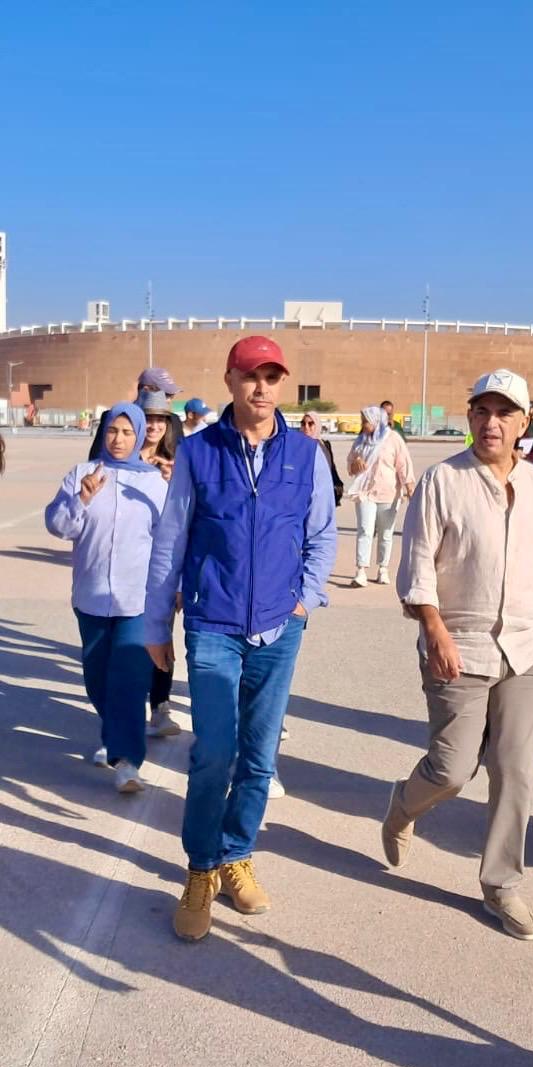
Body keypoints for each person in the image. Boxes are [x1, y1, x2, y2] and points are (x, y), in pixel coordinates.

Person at [144, 335, 337, 941]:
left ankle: (236, 855)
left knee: (258, 756)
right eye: (251, 375)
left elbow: (321, 535)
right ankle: (200, 869)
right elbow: (171, 540)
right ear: (230, 380)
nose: (261, 388)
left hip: (279, 628)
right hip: (213, 626)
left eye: (272, 377)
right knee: (213, 754)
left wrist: (305, 599)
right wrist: (156, 622)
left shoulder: (305, 454)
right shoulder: (199, 453)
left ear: (282, 384)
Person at [387, 369, 533, 940]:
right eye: (482, 411)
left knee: (515, 767)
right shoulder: (443, 480)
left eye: (504, 413)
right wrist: (433, 628)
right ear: (469, 417)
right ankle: (404, 805)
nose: (492, 423)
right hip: (458, 645)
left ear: (525, 421)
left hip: (528, 648)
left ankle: (501, 884)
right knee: (452, 769)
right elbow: (416, 563)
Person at [46, 403, 168, 792]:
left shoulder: (154, 482)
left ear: (139, 436)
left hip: (138, 599)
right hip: (92, 596)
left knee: (130, 679)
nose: (118, 439)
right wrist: (80, 500)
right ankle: (114, 733)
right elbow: (58, 526)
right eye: (113, 431)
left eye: (127, 432)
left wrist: (172, 591)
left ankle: (127, 761)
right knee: (97, 679)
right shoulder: (81, 474)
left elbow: (167, 541)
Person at [137, 389, 183, 739]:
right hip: (127, 568)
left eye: (160, 419)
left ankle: (161, 705)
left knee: (162, 635)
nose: (153, 425)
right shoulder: (119, 457)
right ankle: (125, 713)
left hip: (163, 568)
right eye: (147, 418)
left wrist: (173, 482)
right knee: (128, 644)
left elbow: (186, 524)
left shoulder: (178, 462)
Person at [346, 405, 415, 587]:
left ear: (376, 421)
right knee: (365, 530)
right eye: (362, 421)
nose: (363, 424)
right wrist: (356, 463)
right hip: (365, 492)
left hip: (388, 494)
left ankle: (383, 569)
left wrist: (410, 490)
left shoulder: (393, 439)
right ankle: (361, 571)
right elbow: (350, 466)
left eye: (366, 421)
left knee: (386, 533)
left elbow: (403, 465)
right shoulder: (361, 441)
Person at [88, 367, 183, 459]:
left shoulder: (174, 421)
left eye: (172, 396)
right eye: (166, 395)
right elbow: (96, 458)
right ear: (145, 390)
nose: (169, 400)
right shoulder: (114, 417)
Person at [301, 411, 344, 505]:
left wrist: (337, 483)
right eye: (303, 423)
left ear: (317, 425)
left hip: (324, 492)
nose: (306, 427)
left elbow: (331, 467)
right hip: (305, 493)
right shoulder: (298, 445)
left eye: (310, 423)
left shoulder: (325, 444)